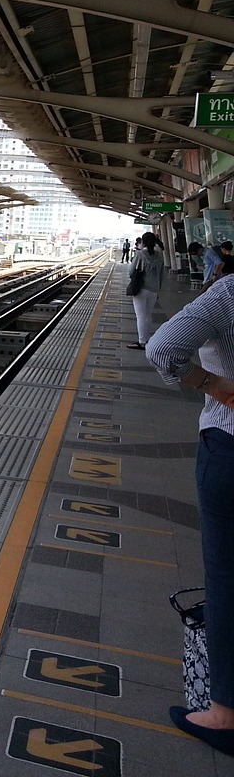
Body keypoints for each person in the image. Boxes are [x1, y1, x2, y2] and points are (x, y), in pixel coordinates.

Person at [146, 273, 234, 752]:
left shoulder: (230, 293)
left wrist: (216, 386)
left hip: (230, 450)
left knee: (227, 578)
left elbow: (163, 349)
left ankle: (224, 714)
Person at [126, 230, 165, 349]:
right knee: (148, 315)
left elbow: (131, 271)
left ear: (143, 241)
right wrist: (158, 288)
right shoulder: (160, 255)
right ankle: (146, 340)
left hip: (141, 288)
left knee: (141, 316)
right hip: (154, 289)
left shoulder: (140, 254)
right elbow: (161, 274)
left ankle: (142, 342)